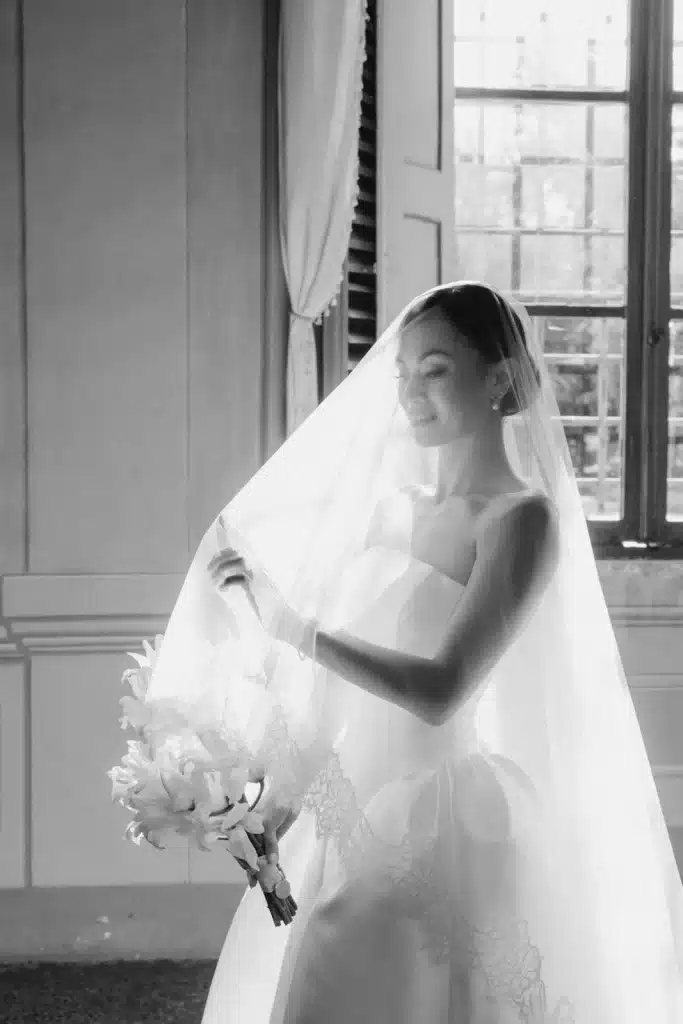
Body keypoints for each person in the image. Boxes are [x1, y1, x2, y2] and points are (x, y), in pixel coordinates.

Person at [150, 283, 683, 1022]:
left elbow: (442, 691)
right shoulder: (388, 507)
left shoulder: (521, 520)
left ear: (498, 378)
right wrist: (277, 798)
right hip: (345, 805)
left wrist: (294, 628)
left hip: (435, 818)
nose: (409, 393)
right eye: (402, 372)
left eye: (434, 370)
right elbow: (335, 687)